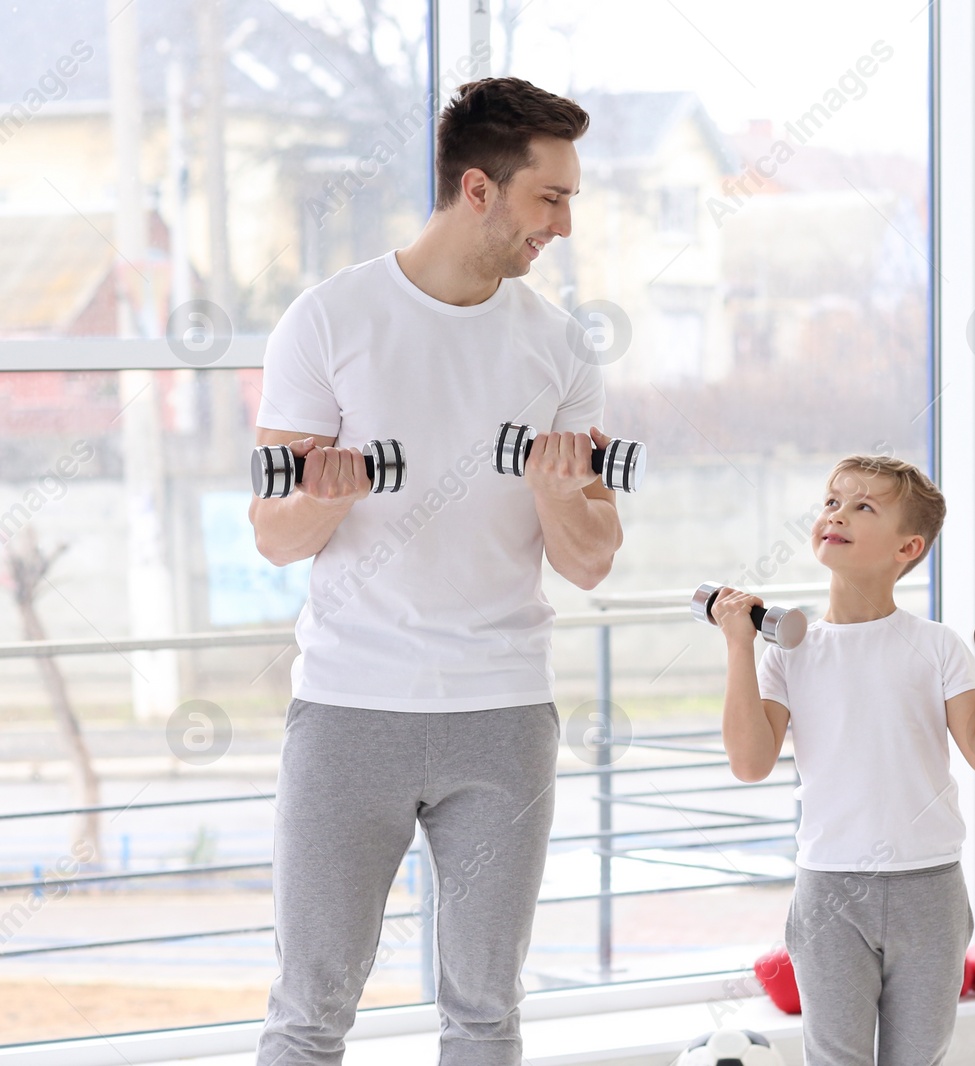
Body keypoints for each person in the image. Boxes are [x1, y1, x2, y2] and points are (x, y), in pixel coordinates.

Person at [248, 78, 622, 1066]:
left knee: (485, 1011)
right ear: (478, 187)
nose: (565, 226)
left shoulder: (560, 348)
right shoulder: (326, 322)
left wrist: (553, 493)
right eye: (552, 198)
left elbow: (591, 560)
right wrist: (325, 497)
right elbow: (275, 537)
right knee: (310, 1009)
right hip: (349, 709)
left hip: (502, 717)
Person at [713, 455, 975, 1065]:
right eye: (831, 501)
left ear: (908, 546)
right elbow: (750, 762)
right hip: (829, 891)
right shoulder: (788, 654)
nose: (837, 513)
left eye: (862, 506)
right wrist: (738, 648)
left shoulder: (936, 646)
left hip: (928, 890)